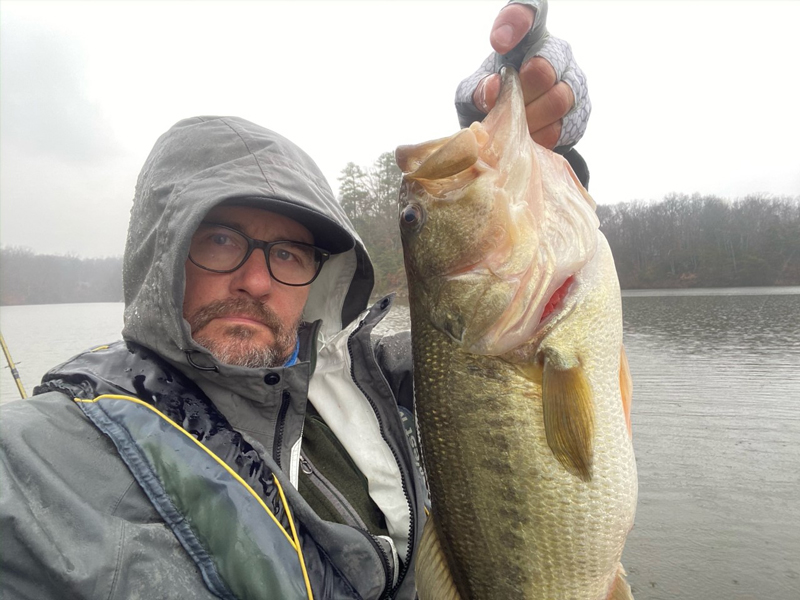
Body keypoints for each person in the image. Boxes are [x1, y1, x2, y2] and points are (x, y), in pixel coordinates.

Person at [0, 2, 590, 598]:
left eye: (287, 253)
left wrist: (531, 162)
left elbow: (505, 332)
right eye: (221, 239)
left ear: (319, 275)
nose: (256, 281)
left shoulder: (384, 381)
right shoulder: (43, 459)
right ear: (163, 252)